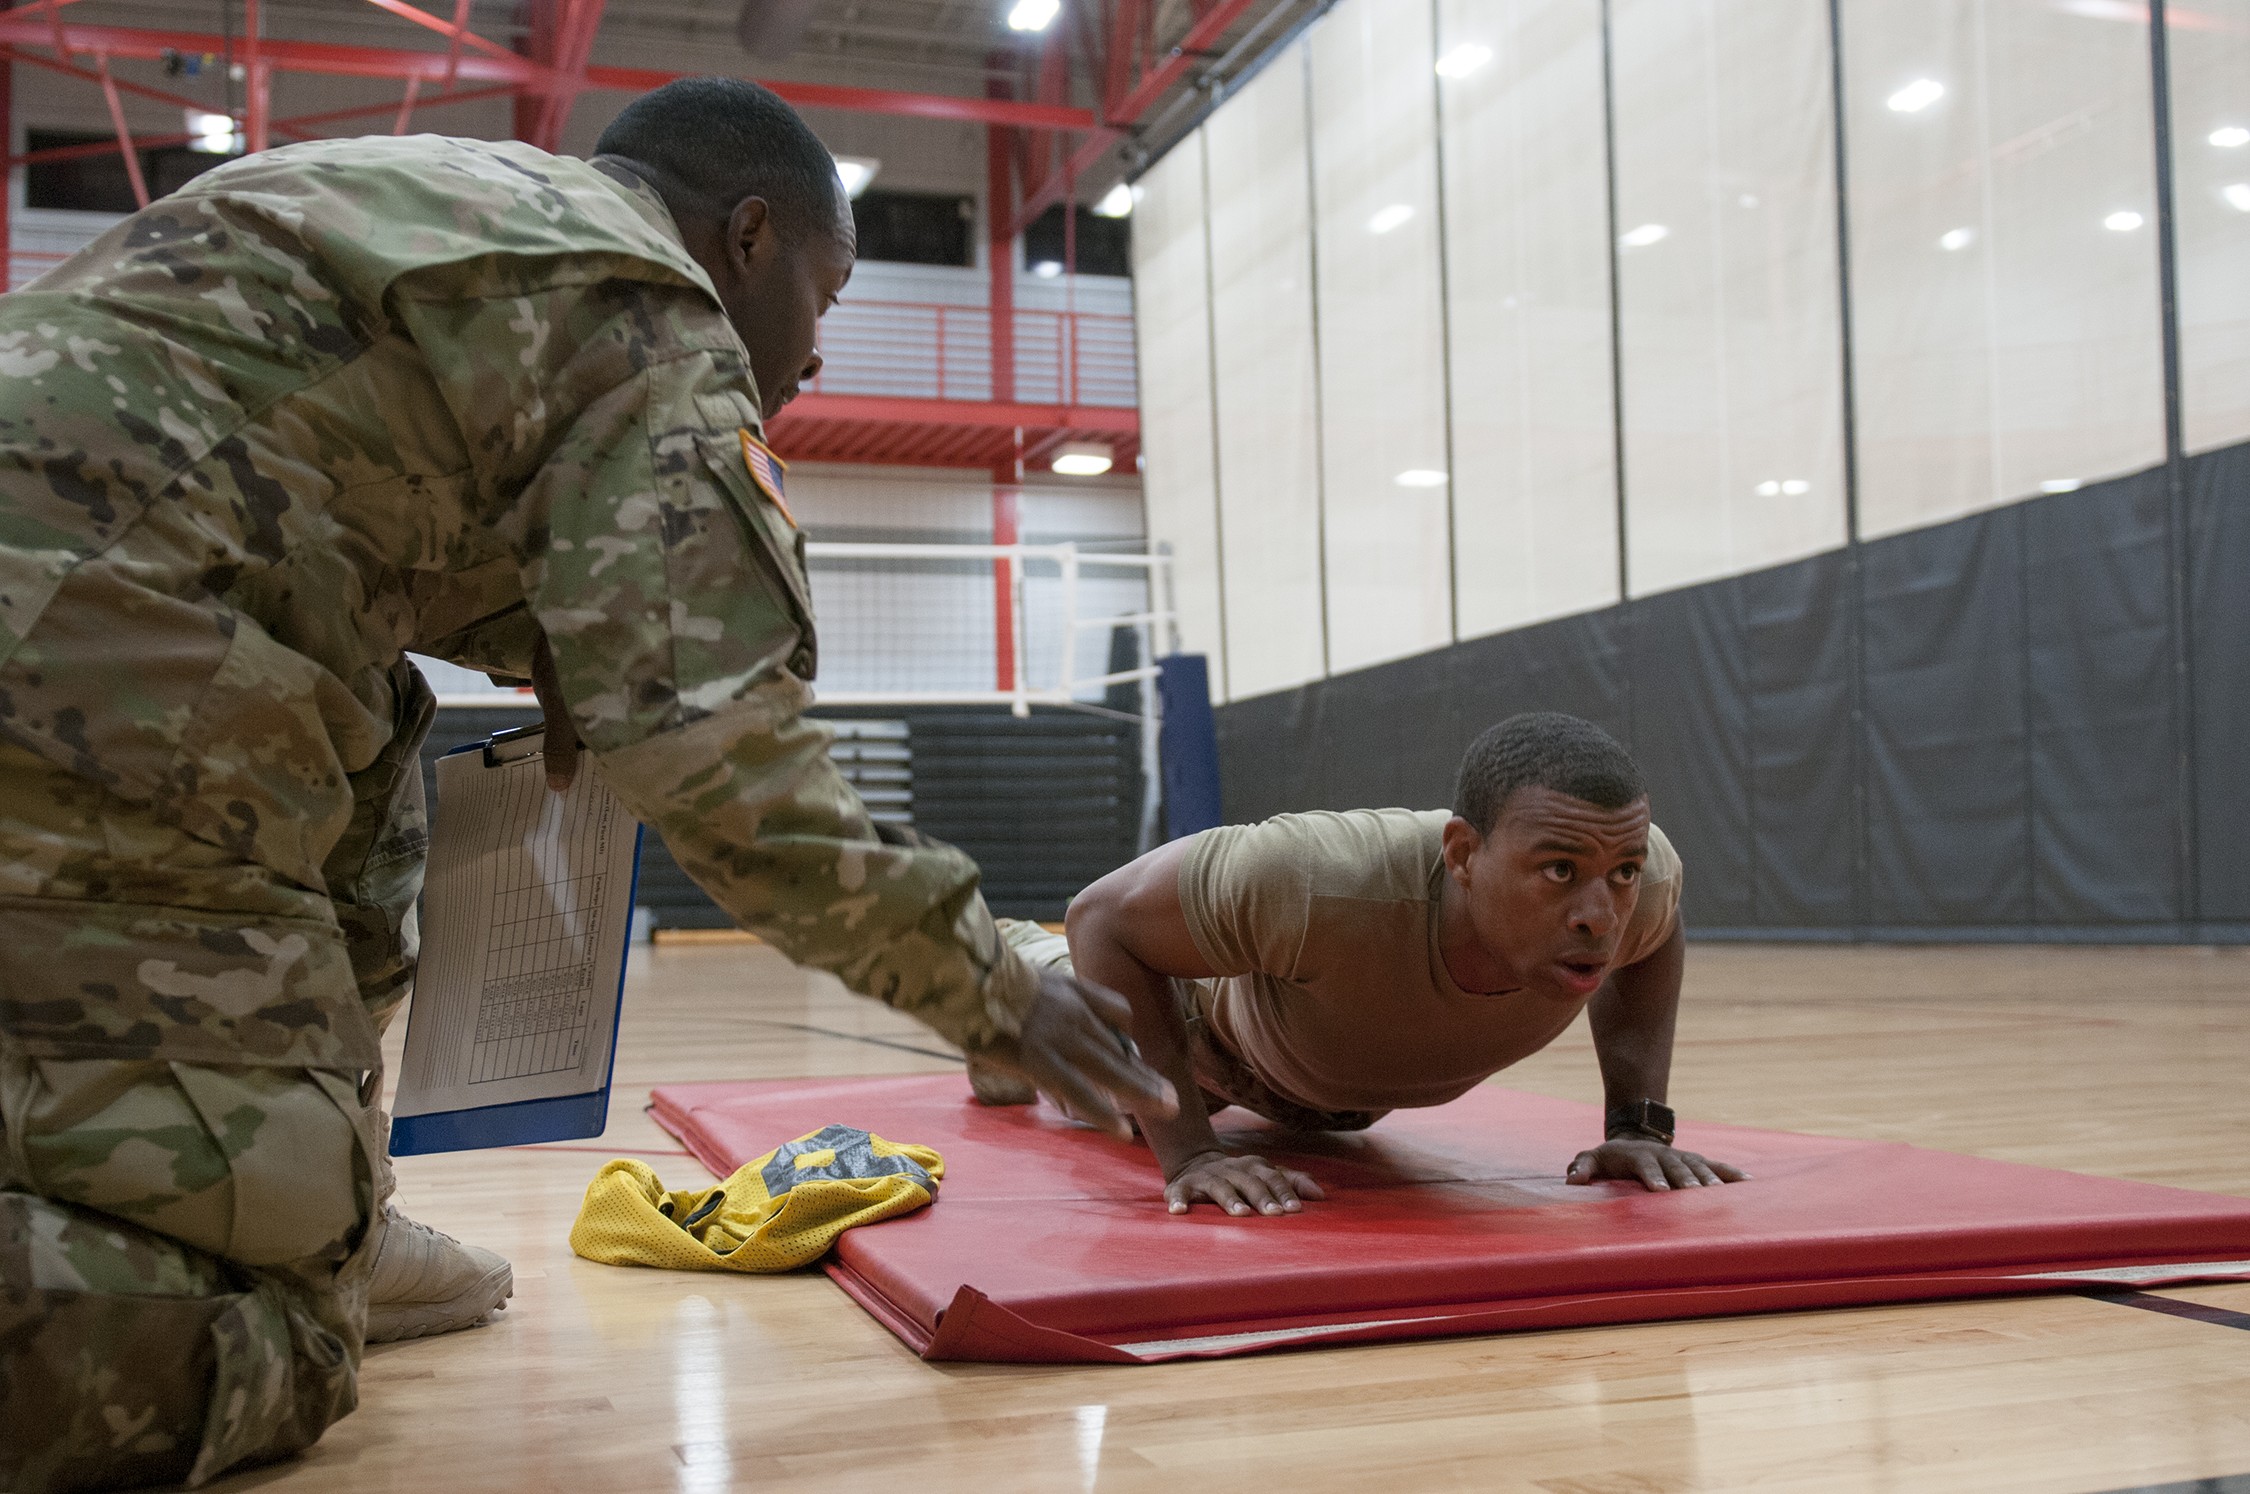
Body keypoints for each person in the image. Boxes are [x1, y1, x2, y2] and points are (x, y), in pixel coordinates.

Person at [0, 79, 1171, 1492]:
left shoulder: (429, 196)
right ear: (745, 237)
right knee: (280, 1341)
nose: (813, 351)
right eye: (825, 288)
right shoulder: (656, 315)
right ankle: (304, 1251)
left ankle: (326, 1197)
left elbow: (281, 477)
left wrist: (547, 637)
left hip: (91, 618)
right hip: (93, 676)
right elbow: (733, 775)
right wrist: (1001, 990)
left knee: (377, 720)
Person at [985, 712, 1748, 1216]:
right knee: (1085, 1090)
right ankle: (997, 977)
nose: (1599, 914)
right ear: (1462, 855)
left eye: (1621, 872)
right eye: (1557, 871)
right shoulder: (1317, 876)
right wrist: (1188, 1155)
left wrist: (1638, 1126)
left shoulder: (1640, 882)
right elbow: (1100, 917)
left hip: (1330, 1085)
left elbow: (1657, 927)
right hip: (1209, 1034)